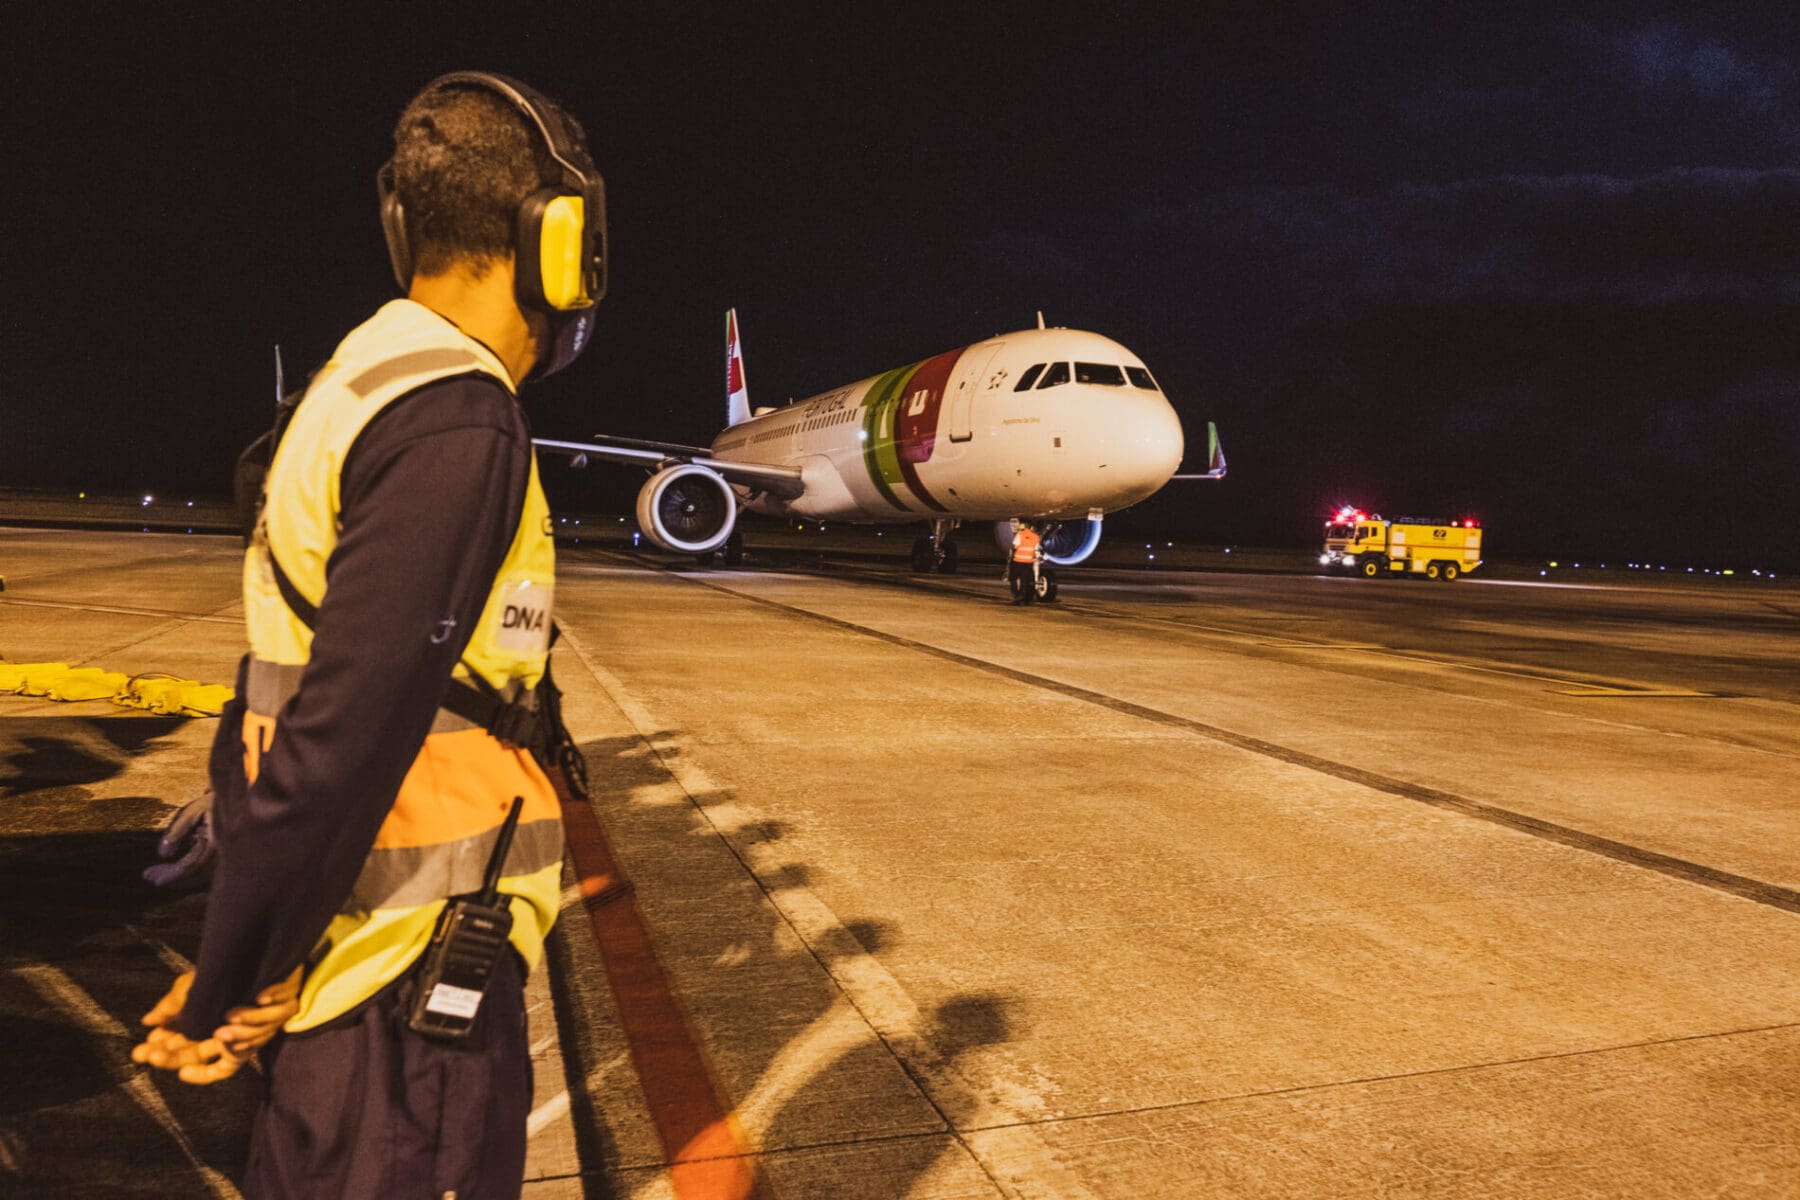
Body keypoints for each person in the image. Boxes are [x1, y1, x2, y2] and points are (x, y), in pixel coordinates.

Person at [131, 72, 606, 1199]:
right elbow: (348, 730)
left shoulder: (365, 378)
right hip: (402, 1009)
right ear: (562, 240)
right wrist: (242, 977)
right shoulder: (460, 419)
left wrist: (240, 955)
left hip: (354, 977)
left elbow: (277, 690)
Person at [1009, 519, 1043, 604]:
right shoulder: (1036, 537)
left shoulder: (1020, 534)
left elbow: (1015, 546)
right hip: (1028, 562)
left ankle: (1017, 595)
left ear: (1023, 527)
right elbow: (1036, 549)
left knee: (1013, 578)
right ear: (1031, 527)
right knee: (1024, 579)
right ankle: (1023, 595)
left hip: (1018, 560)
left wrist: (1011, 556)